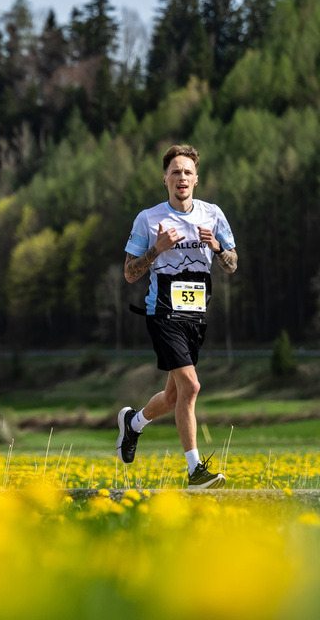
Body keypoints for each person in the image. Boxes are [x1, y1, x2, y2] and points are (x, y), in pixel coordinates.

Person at [117, 144, 237, 489]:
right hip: (162, 313)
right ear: (165, 179)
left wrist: (216, 248)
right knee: (192, 386)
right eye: (175, 172)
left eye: (187, 172)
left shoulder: (213, 215)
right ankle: (195, 470)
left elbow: (232, 264)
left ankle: (134, 424)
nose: (181, 177)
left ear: (196, 179)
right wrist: (157, 249)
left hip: (196, 316)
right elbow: (128, 273)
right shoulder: (149, 219)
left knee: (173, 397)